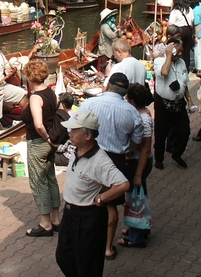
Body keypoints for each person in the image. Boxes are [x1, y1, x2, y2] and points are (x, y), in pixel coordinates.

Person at [54, 109, 130, 277]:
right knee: (63, 257)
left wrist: (102, 198)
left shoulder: (100, 160)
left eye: (74, 130)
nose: (70, 134)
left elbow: (123, 184)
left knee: (87, 265)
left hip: (88, 218)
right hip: (70, 214)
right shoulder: (75, 151)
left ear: (88, 136)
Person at [77, 72, 143, 260]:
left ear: (107, 85)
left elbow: (72, 129)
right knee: (110, 204)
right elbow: (136, 140)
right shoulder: (131, 111)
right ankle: (107, 247)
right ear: (124, 92)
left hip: (89, 156)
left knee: (86, 200)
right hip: (116, 160)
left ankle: (85, 242)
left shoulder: (90, 103)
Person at [20, 60, 61, 238]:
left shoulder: (36, 97)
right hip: (50, 143)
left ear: (30, 77)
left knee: (38, 181)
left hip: (39, 143)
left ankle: (45, 223)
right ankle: (56, 218)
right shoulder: (50, 92)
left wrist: (47, 138)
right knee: (50, 178)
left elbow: (38, 124)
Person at [118, 83, 154, 249]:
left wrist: (138, 174)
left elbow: (145, 149)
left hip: (137, 163)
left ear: (132, 100)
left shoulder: (143, 120)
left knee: (135, 199)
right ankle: (140, 228)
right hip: (137, 162)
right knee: (138, 197)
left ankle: (136, 236)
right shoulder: (143, 114)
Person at [153, 39, 192, 170]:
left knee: (184, 131)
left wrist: (189, 99)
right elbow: (164, 72)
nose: (180, 54)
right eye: (178, 51)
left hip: (179, 103)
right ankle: (159, 159)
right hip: (163, 104)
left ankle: (177, 154)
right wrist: (168, 55)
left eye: (181, 51)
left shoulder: (182, 63)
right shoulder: (159, 61)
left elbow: (185, 82)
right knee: (161, 133)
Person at [168, 0, 194, 70]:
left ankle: (176, 67)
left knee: (177, 49)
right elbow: (192, 22)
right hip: (188, 31)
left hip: (179, 31)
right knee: (187, 51)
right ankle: (186, 68)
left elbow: (171, 24)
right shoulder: (189, 9)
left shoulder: (175, 12)